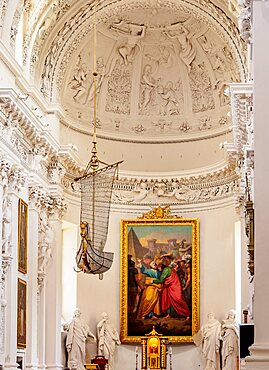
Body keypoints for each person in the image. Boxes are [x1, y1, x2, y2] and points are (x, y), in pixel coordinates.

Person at [152, 254, 190, 319]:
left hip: (174, 287)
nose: (158, 268)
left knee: (178, 299)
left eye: (159, 266)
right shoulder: (169, 269)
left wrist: (153, 281)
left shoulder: (166, 270)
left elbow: (161, 280)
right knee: (168, 300)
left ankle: (187, 314)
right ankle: (169, 315)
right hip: (169, 287)